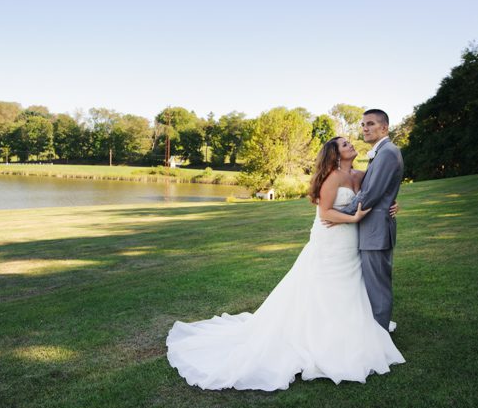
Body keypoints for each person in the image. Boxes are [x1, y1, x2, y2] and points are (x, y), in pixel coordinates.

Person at [166, 137, 405, 391]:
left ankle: (351, 332)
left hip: (351, 240)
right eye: (345, 145)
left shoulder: (361, 173)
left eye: (349, 143)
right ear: (335, 155)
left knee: (350, 283)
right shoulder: (332, 177)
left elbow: (375, 193)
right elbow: (325, 213)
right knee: (324, 285)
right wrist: (354, 217)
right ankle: (318, 337)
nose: (351, 146)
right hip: (332, 239)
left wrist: (391, 204)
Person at [329, 109, 403, 332]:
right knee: (370, 286)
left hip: (376, 232)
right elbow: (379, 190)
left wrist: (341, 215)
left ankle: (379, 339)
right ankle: (370, 332)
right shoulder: (381, 153)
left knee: (378, 288)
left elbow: (370, 193)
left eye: (370, 124)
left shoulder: (388, 152)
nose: (365, 128)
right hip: (372, 229)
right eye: (363, 125)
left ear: (384, 128)